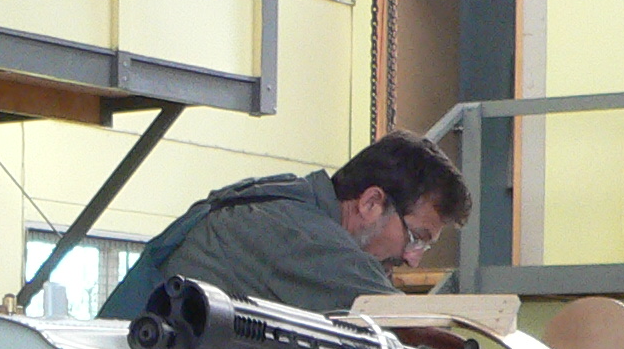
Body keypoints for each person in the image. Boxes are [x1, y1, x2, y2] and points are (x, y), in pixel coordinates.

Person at [99, 129, 473, 319]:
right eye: (416, 238)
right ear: (371, 203)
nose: (412, 258)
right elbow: (413, 331)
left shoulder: (286, 199)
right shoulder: (307, 240)